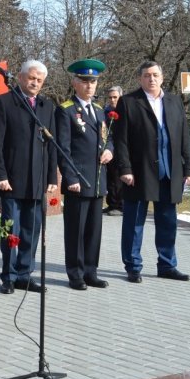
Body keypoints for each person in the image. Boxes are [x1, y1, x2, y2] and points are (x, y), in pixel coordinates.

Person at [115, 61, 190, 283]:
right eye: (147, 75)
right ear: (140, 79)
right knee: (134, 222)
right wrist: (125, 168)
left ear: (162, 77)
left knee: (167, 222)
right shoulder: (129, 102)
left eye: (155, 75)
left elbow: (184, 137)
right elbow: (120, 140)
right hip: (139, 173)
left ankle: (167, 265)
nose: (152, 79)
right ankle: (133, 266)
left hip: (169, 171)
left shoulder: (174, 101)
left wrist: (189, 167)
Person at [0, 59, 58, 294]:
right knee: (12, 231)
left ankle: (24, 274)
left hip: (37, 181)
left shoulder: (46, 106)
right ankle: (8, 276)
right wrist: (0, 174)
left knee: (32, 231)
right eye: (31, 78)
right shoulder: (4, 102)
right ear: (20, 77)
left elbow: (51, 145)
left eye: (40, 80)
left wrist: (52, 177)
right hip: (11, 181)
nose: (35, 83)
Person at [56, 59, 113, 290]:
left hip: (98, 180)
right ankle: (76, 274)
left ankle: (91, 271)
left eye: (94, 81)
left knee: (93, 232)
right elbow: (63, 148)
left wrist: (110, 150)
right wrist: (71, 178)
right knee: (76, 231)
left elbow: (107, 139)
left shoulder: (99, 111)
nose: (90, 86)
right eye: (85, 81)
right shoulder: (66, 110)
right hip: (78, 181)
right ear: (75, 82)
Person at [103, 86, 124, 216]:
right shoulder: (105, 111)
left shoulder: (125, 110)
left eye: (115, 97)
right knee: (109, 177)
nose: (112, 100)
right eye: (110, 97)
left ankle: (120, 205)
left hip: (120, 148)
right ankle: (111, 203)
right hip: (108, 148)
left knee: (118, 178)